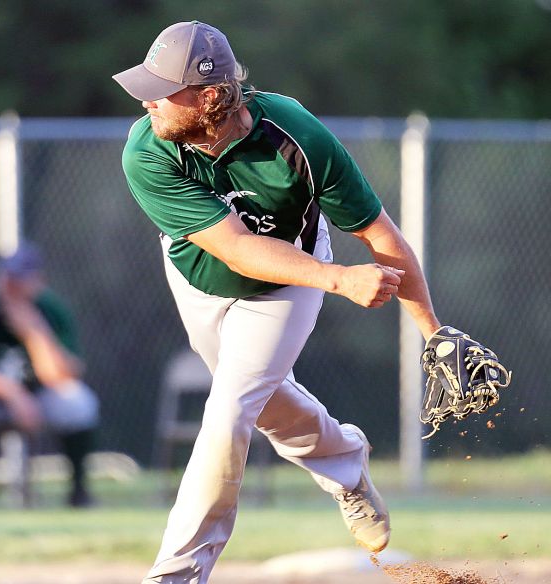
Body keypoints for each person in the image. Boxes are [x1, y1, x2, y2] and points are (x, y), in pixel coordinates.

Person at [113, 21, 441, 583]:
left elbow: (380, 236)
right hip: (198, 278)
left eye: (162, 89)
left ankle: (177, 575)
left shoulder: (297, 136)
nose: (147, 100)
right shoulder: (147, 151)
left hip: (286, 283)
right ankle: (346, 464)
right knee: (254, 401)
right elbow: (236, 249)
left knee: (227, 410)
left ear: (210, 95)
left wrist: (433, 333)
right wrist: (340, 280)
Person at [0, 242, 99, 508]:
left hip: (39, 400)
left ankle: (79, 492)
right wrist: (13, 394)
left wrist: (34, 333)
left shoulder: (51, 310)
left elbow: (62, 376)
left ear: (38, 281)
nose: (11, 285)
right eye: (7, 277)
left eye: (20, 279)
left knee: (79, 402)